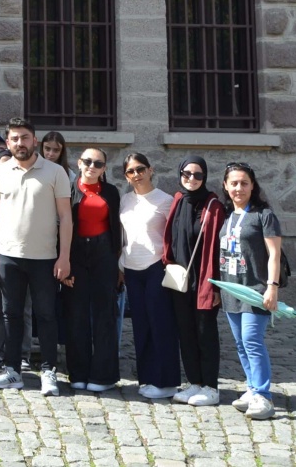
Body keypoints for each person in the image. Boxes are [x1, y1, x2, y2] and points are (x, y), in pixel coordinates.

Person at [0, 118, 71, 396]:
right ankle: (12, 371)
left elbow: (66, 216)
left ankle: (48, 371)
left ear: (35, 141)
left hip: (45, 258)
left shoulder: (55, 171)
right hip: (10, 256)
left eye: (25, 138)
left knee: (46, 315)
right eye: (15, 139)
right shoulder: (0, 171)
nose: (20, 143)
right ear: (8, 143)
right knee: (11, 315)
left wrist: (64, 256)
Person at [219, 162, 283, 421]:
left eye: (244, 183)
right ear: (225, 186)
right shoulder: (226, 216)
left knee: (252, 340)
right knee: (241, 344)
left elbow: (274, 254)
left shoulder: (263, 216)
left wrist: (272, 287)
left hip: (255, 289)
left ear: (253, 186)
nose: (239, 188)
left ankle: (263, 395)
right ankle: (252, 388)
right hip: (231, 288)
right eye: (234, 183)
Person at [164, 155, 226, 407]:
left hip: (203, 280)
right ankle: (194, 383)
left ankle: (210, 386)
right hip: (181, 280)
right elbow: (169, 236)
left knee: (205, 332)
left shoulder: (213, 206)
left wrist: (216, 284)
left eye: (198, 175)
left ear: (205, 177)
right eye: (186, 174)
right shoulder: (179, 200)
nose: (191, 179)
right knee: (186, 332)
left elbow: (218, 248)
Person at [120, 151, 180, 400]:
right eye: (131, 171)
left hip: (156, 267)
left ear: (150, 170)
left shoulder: (165, 200)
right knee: (141, 326)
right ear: (126, 176)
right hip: (131, 269)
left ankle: (166, 381)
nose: (136, 175)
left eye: (140, 169)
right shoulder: (125, 200)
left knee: (161, 325)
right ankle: (147, 377)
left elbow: (174, 236)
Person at [64, 146, 122, 392]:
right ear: (79, 163)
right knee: (76, 314)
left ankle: (103, 376)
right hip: (76, 253)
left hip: (103, 254)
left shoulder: (111, 192)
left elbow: (117, 228)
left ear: (104, 168)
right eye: (87, 161)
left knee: (104, 314)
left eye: (98, 164)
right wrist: (64, 262)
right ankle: (78, 373)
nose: (92, 167)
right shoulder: (68, 190)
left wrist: (118, 263)